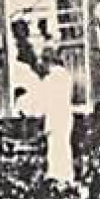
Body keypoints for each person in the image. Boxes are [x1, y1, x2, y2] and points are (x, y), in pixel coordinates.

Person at [19, 49, 78, 184]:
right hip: (65, 117)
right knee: (63, 147)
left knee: (55, 149)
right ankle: (67, 177)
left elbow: (41, 101)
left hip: (54, 119)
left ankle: (58, 178)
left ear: (48, 62)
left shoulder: (50, 79)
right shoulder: (65, 77)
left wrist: (27, 109)